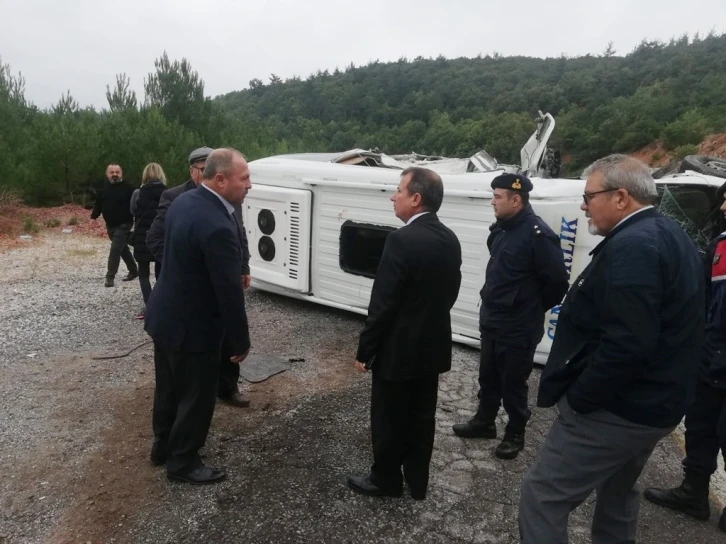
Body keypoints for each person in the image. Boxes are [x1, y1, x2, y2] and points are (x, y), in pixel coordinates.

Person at [518, 154, 705, 543]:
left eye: (589, 195)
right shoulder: (668, 232)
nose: (584, 205)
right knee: (618, 491)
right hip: (657, 403)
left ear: (621, 197)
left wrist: (582, 400)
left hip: (620, 409)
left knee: (543, 496)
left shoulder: (635, 246)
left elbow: (628, 343)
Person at [346, 166, 462, 501]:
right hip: (433, 347)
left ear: (416, 198)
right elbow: (449, 292)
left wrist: (365, 350)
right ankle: (417, 480)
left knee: (389, 417)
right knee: (421, 417)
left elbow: (383, 304)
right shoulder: (449, 237)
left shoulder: (400, 240)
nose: (393, 197)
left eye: (398, 190)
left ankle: (385, 480)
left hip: (398, 351)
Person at [144, 148, 252, 485]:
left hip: (164, 316)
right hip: (194, 328)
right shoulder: (217, 223)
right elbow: (228, 290)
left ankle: (162, 447)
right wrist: (240, 340)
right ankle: (183, 463)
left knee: (169, 389)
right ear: (220, 180)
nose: (250, 185)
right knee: (196, 397)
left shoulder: (183, 202)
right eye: (245, 178)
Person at [452, 173, 568, 459]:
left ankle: (515, 433)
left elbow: (557, 284)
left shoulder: (538, 234)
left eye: (497, 197)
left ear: (516, 200)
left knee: (513, 383)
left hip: (518, 326)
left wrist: (528, 309)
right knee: (488, 376)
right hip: (493, 319)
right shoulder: (503, 229)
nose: (492, 202)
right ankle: (484, 421)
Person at [642, 180, 726, 534]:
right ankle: (694, 494)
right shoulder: (719, 246)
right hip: (710, 358)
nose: (722, 208)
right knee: (701, 426)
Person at [90, 164, 138, 287]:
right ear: (107, 174)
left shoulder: (129, 188)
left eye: (117, 172)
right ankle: (133, 270)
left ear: (121, 173)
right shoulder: (104, 188)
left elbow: (137, 204)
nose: (115, 174)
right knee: (122, 247)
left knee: (115, 249)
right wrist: (93, 217)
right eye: (112, 172)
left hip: (124, 223)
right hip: (110, 224)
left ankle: (110, 277)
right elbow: (99, 204)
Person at [130, 163, 167, 320]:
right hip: (160, 237)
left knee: (144, 275)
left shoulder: (138, 193)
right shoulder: (167, 193)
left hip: (142, 237)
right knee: (161, 274)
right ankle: (161, 305)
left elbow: (132, 211)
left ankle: (149, 306)